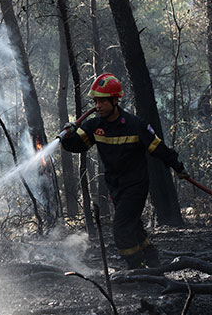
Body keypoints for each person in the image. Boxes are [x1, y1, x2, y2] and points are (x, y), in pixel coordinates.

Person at [60, 73, 189, 269]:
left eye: (102, 101)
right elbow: (78, 146)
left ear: (114, 100)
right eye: (96, 101)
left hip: (135, 185)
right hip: (115, 186)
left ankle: (136, 268)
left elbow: (159, 149)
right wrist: (67, 136)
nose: (98, 106)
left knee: (121, 229)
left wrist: (178, 168)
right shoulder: (95, 126)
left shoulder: (135, 125)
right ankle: (152, 259)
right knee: (133, 225)